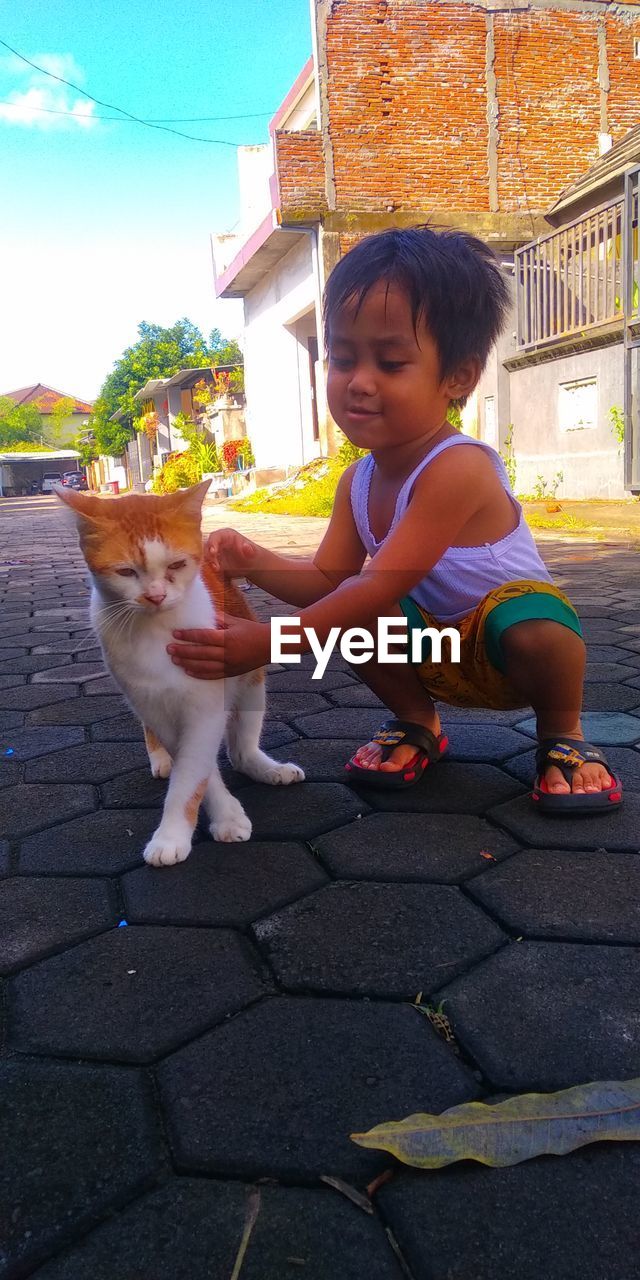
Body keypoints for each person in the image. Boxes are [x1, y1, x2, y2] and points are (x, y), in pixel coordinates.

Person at [168, 225, 622, 813]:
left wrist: (270, 642)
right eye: (342, 357)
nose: (358, 382)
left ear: (458, 376)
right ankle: (418, 723)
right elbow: (328, 581)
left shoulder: (458, 468)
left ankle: (564, 733)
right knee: (356, 612)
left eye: (390, 361)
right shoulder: (356, 481)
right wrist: (251, 561)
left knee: (535, 620)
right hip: (434, 649)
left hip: (510, 651)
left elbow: (379, 581)